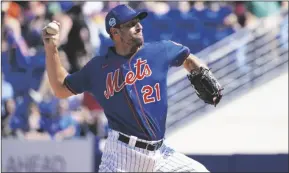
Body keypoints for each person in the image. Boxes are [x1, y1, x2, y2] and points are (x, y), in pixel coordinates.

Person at [42, 4, 222, 172]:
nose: (139, 26)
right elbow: (60, 88)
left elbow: (187, 57)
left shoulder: (159, 51)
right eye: (131, 24)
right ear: (115, 32)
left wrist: (203, 71)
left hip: (161, 154)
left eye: (138, 22)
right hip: (121, 156)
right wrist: (52, 49)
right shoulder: (97, 68)